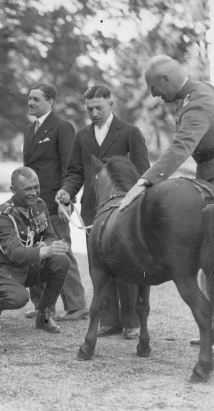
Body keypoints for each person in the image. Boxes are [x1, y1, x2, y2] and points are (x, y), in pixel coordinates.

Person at [56, 85, 150, 339]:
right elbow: (75, 171)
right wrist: (66, 190)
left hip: (123, 211)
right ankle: (110, 321)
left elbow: (143, 172)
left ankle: (131, 322)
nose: (94, 113)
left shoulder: (130, 132)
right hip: (92, 211)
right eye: (89, 109)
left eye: (99, 107)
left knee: (124, 264)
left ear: (111, 103)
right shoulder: (82, 136)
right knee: (99, 266)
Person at [23, 83, 88, 322]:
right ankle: (41, 304)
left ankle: (77, 305)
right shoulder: (29, 130)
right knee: (36, 252)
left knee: (62, 252)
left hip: (54, 203)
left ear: (50, 102)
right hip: (32, 204)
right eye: (29, 99)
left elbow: (70, 168)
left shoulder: (62, 127)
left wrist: (67, 203)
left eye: (36, 99)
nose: (30, 103)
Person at [0, 167, 70, 333]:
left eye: (36, 187)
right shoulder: (4, 215)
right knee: (19, 298)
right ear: (13, 190)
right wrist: (43, 252)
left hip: (26, 266)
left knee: (61, 260)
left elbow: (49, 235)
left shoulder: (39, 205)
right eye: (28, 188)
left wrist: (47, 246)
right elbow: (16, 254)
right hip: (0, 269)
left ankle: (44, 316)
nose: (34, 193)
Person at [120, 55, 214, 209]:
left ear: (165, 79)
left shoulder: (197, 105)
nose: (153, 94)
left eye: (153, 87)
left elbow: (180, 147)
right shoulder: (200, 89)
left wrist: (144, 182)